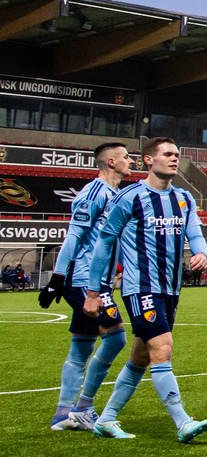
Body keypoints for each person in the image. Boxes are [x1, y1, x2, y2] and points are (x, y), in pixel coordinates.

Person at [84, 138, 207, 443]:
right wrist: (92, 291)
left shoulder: (184, 198)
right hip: (140, 286)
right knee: (162, 347)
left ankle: (107, 418)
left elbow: (195, 230)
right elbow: (104, 242)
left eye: (177, 154)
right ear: (148, 160)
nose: (174, 159)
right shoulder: (130, 197)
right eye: (167, 154)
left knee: (141, 356)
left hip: (170, 289)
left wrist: (201, 251)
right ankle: (182, 421)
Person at [43, 141, 135, 431]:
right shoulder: (94, 192)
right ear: (110, 162)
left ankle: (63, 414)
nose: (130, 161)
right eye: (125, 157)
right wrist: (56, 279)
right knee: (116, 338)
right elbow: (74, 235)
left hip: (98, 280)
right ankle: (83, 407)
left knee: (81, 346)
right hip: (84, 280)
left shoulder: (115, 194)